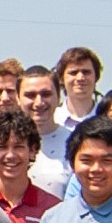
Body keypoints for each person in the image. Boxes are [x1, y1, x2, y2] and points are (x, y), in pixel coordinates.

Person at [17, 67, 72, 195]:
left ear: (58, 97)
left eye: (46, 94)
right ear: (18, 98)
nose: (39, 102)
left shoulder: (74, 142)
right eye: (30, 95)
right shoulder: (4, 144)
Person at [55, 46, 104, 128]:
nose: (80, 78)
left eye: (86, 72)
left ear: (96, 76)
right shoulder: (52, 120)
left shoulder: (107, 119)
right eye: (73, 73)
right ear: (61, 78)